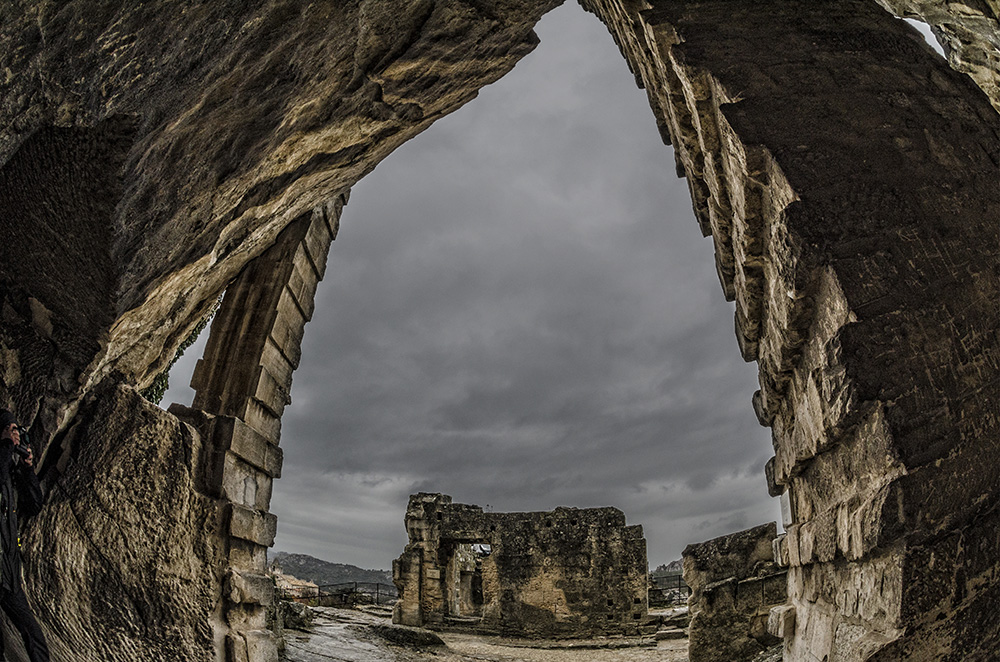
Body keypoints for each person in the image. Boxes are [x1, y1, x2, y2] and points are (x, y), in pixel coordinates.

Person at [0, 410, 49, 662]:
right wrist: (7, 444)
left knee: (34, 635)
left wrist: (28, 469)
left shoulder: (11, 470)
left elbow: (34, 505)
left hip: (8, 573)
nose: (16, 434)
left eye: (17, 430)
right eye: (10, 429)